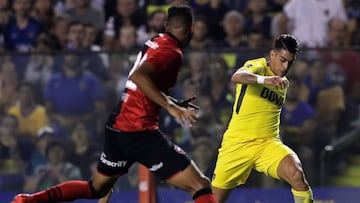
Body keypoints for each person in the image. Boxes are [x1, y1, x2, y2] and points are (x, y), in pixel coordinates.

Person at [12, 5, 218, 203]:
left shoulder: (156, 41)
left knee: (96, 188)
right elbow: (139, 76)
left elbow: (143, 84)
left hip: (118, 127)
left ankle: (28, 200)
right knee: (199, 185)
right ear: (190, 31)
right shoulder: (171, 51)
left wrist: (173, 101)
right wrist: (170, 107)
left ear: (166, 25)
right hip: (139, 131)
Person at [211, 34, 314, 203]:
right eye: (282, 60)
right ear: (272, 54)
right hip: (237, 144)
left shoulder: (284, 83)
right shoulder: (258, 66)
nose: (285, 66)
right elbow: (237, 76)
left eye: (290, 62)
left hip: (268, 144)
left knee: (297, 175)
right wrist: (265, 80)